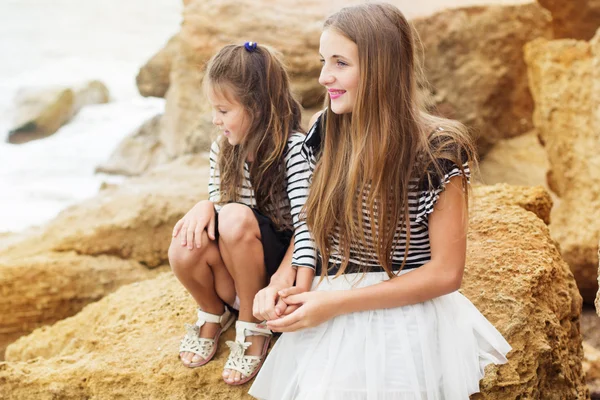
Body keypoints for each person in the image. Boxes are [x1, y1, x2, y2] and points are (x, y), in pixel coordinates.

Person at [250, 4, 511, 399]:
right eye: (324, 61)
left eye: (340, 63)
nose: (324, 77)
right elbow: (313, 224)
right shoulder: (327, 132)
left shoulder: (438, 150)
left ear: (381, 67)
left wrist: (336, 305)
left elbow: (445, 274)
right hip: (330, 297)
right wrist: (280, 280)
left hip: (403, 310)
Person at [168, 41, 306, 386]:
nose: (216, 120)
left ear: (257, 107)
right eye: (214, 110)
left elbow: (309, 224)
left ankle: (253, 326)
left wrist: (279, 281)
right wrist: (203, 207)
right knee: (187, 239)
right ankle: (213, 313)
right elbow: (219, 204)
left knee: (233, 217)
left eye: (224, 111)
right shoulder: (223, 148)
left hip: (275, 274)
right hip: (237, 268)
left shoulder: (294, 150)